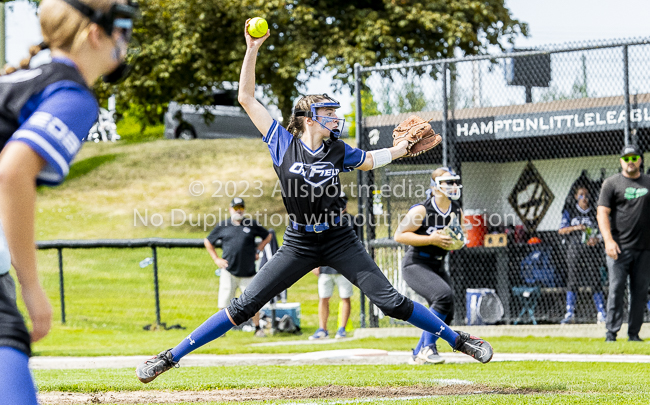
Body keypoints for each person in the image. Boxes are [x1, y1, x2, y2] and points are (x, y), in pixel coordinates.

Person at [135, 20, 493, 384]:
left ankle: (458, 340)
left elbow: (369, 159)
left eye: (336, 112)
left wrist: (400, 150)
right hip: (299, 242)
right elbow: (246, 98)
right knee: (243, 307)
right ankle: (169, 357)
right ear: (307, 118)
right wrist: (252, 49)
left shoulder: (337, 149)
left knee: (391, 303)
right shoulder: (281, 141)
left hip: (340, 239)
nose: (335, 118)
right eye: (328, 113)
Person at [0, 0, 138, 403]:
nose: (126, 42)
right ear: (95, 34)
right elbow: (12, 173)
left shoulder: (19, 78)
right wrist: (31, 286)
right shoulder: (72, 94)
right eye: (123, 29)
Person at [394, 167, 465, 365]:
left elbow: (460, 234)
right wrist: (431, 239)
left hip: (437, 264)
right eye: (447, 182)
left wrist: (457, 240)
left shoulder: (456, 208)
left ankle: (418, 353)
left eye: (453, 181)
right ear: (435, 186)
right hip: (416, 263)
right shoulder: (422, 210)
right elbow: (399, 235)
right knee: (442, 296)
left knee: (448, 310)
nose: (452, 186)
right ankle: (427, 348)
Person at [597, 144, 650, 342]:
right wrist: (608, 240)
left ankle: (634, 334)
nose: (630, 162)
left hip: (645, 249)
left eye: (634, 158)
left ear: (640, 160)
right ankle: (611, 334)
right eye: (626, 158)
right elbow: (602, 212)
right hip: (618, 248)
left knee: (640, 292)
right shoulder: (611, 183)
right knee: (616, 288)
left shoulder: (648, 182)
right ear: (621, 161)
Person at [204, 197, 272, 337]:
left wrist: (258, 250)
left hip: (248, 271)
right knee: (224, 300)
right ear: (230, 209)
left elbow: (268, 235)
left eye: (241, 207)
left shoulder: (251, 224)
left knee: (253, 302)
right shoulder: (223, 226)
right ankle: (220, 331)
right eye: (236, 208)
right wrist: (216, 259)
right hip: (229, 270)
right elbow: (208, 241)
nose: (238, 210)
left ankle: (257, 328)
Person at [309, 193, 355, 340]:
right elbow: (315, 242)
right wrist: (314, 263)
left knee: (345, 297)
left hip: (344, 268)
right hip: (325, 266)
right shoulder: (322, 219)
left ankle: (341, 329)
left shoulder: (352, 220)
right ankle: (323, 329)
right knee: (323, 298)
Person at [558, 186, 606, 324]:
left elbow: (603, 230)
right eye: (580, 195)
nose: (584, 198)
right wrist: (577, 227)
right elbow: (561, 230)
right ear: (575, 197)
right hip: (574, 249)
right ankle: (570, 312)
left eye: (586, 195)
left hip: (591, 251)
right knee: (573, 280)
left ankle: (601, 312)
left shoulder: (594, 212)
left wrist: (597, 238)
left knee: (595, 279)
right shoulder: (570, 211)